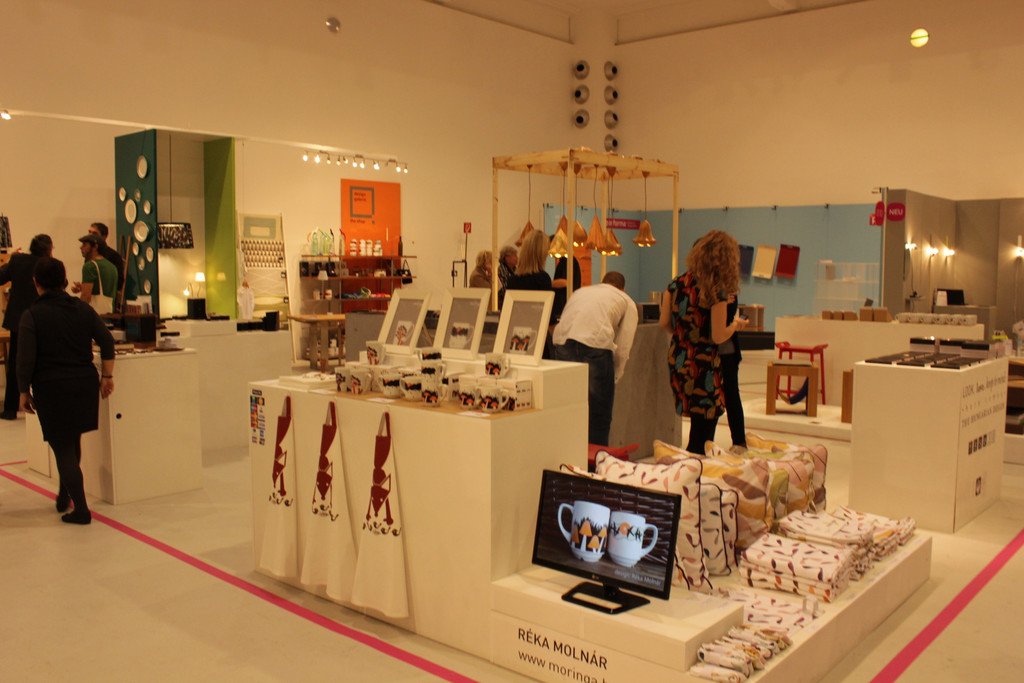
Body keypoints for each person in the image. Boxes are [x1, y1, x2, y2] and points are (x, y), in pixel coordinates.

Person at [18, 257, 116, 525]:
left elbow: (25, 358)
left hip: (52, 386)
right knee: (72, 441)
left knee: (62, 448)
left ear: (36, 282)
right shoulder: (82, 309)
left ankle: (81, 509)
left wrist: (23, 391)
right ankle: (64, 494)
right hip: (84, 383)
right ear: (64, 281)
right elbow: (107, 341)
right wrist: (107, 376)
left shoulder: (32, 315)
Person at [659, 230, 748, 454]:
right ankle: (694, 471)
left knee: (696, 427)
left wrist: (684, 337)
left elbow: (664, 323)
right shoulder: (716, 290)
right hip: (705, 365)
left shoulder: (675, 284)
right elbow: (718, 335)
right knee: (702, 437)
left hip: (680, 359)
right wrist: (736, 325)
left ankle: (693, 467)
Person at [552, 271, 638, 446]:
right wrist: (615, 374)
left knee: (569, 410)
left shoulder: (581, 291)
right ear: (622, 288)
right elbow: (623, 346)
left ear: (602, 282)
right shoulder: (626, 300)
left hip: (562, 345)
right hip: (594, 346)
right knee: (599, 414)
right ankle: (596, 460)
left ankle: (570, 456)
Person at [0, 234, 53, 420]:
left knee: (16, 361)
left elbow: (0, 277)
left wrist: (10, 260)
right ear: (48, 249)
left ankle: (10, 408)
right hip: (43, 318)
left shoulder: (18, 260)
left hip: (18, 319)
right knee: (45, 359)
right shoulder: (48, 265)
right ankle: (44, 403)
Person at [718, 295, 747, 453]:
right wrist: (735, 323)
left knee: (731, 395)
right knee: (730, 395)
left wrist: (735, 323)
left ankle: (739, 441)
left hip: (725, 349)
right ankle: (739, 441)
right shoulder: (723, 291)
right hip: (723, 348)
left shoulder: (726, 292)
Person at [71, 234, 117, 314]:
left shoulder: (90, 266)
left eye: (84, 245)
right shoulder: (112, 267)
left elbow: (85, 297)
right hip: (109, 314)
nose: (81, 247)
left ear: (95, 247)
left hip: (94, 315)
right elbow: (106, 289)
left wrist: (77, 315)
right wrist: (82, 287)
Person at [87, 222, 125, 310]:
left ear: (104, 237)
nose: (90, 235)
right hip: (92, 301)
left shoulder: (114, 256)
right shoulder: (89, 256)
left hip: (107, 301)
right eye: (89, 232)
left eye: (94, 233)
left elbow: (119, 282)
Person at [551, 253, 582, 325]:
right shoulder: (567, 261)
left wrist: (547, 283)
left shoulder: (568, 261)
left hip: (564, 306)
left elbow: (565, 282)